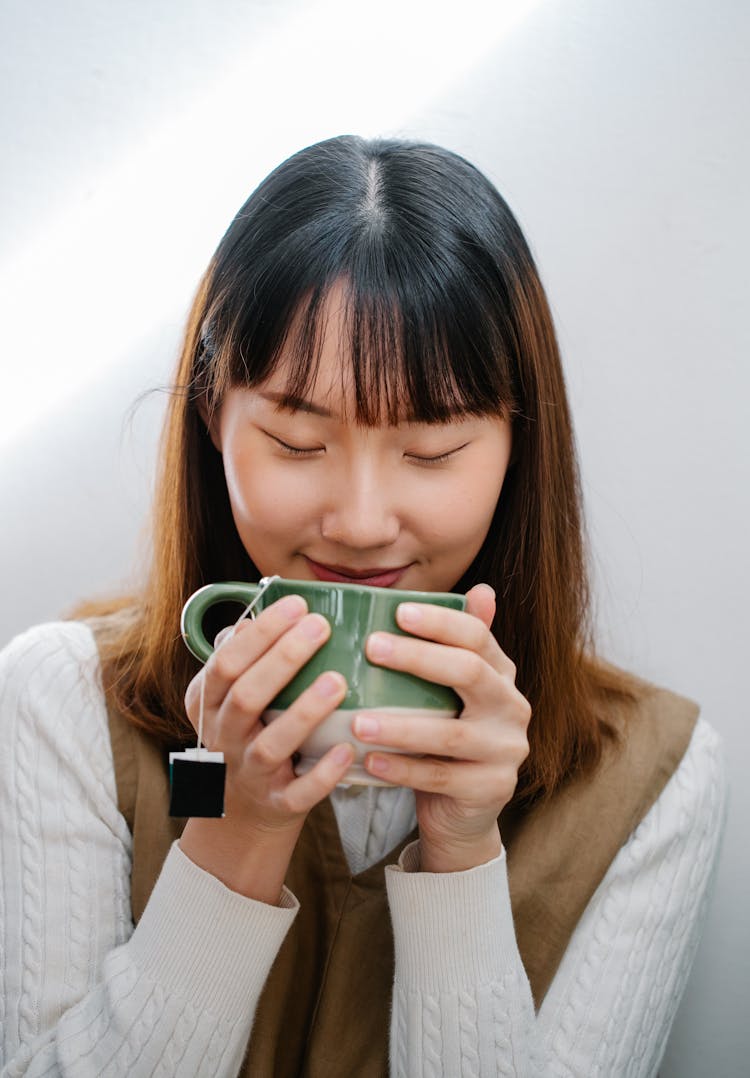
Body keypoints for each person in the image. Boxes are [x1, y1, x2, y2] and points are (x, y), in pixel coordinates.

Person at [0, 135, 726, 1077]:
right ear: (214, 420)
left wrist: (462, 855)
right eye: (298, 443)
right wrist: (236, 837)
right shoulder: (63, 702)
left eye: (429, 453)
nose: (360, 521)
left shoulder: (651, 777)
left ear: (517, 446)